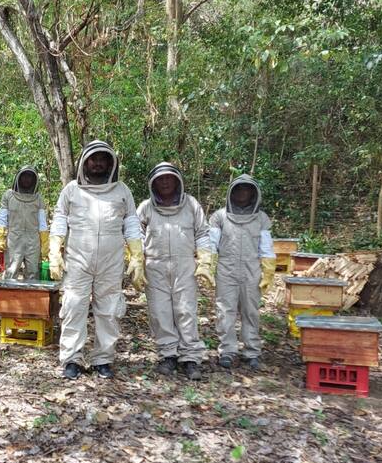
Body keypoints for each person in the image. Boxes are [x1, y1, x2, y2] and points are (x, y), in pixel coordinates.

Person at [49, 140, 145, 380]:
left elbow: (131, 222)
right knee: (73, 306)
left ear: (111, 163)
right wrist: (54, 250)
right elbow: (60, 219)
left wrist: (136, 254)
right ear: (85, 162)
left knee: (109, 309)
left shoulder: (122, 190)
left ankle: (103, 359)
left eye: (103, 159)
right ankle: (72, 359)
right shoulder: (71, 190)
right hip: (77, 257)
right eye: (94, 159)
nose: (99, 163)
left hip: (111, 259)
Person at [137, 162, 215, 381]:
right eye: (160, 179)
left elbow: (202, 233)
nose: (164, 182)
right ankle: (168, 354)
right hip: (154, 266)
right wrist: (136, 259)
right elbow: (137, 235)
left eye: (169, 178)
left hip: (185, 265)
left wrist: (205, 260)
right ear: (153, 183)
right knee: (160, 312)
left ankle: (190, 357)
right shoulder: (145, 207)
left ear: (177, 180)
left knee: (186, 310)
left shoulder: (191, 204)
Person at [209, 174, 276, 370]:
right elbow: (212, 245)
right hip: (226, 270)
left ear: (253, 193)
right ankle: (227, 350)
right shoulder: (219, 216)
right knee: (225, 311)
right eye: (238, 189)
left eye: (246, 189)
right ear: (232, 192)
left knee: (251, 311)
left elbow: (266, 248)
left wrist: (268, 271)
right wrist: (207, 266)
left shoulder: (261, 218)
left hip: (251, 270)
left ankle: (252, 351)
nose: (242, 193)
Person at [0, 166, 49, 280]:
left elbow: (42, 222)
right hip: (14, 238)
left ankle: (32, 298)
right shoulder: (9, 195)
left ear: (34, 180)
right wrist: (1, 236)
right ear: (18, 178)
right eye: (24, 176)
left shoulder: (38, 198)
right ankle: (9, 297)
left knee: (33, 272)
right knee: (11, 271)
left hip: (33, 240)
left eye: (30, 176)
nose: (27, 179)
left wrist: (44, 242)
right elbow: (2, 218)